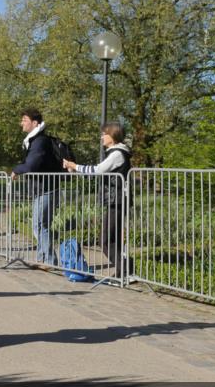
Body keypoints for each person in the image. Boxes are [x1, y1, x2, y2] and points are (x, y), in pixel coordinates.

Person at [63, 122, 132, 278]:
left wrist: (75, 166)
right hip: (116, 200)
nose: (101, 137)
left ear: (112, 136)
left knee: (106, 240)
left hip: (118, 200)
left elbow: (98, 170)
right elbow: (98, 171)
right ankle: (123, 272)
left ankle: (127, 270)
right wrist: (75, 169)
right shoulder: (116, 152)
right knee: (112, 239)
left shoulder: (117, 154)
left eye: (103, 134)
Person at [10, 109, 60, 266]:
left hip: (46, 188)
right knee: (40, 225)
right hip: (43, 188)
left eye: (24, 120)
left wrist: (16, 170)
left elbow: (32, 165)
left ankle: (49, 261)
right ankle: (43, 259)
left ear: (35, 123)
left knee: (39, 225)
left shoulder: (39, 141)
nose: (21, 123)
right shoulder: (34, 140)